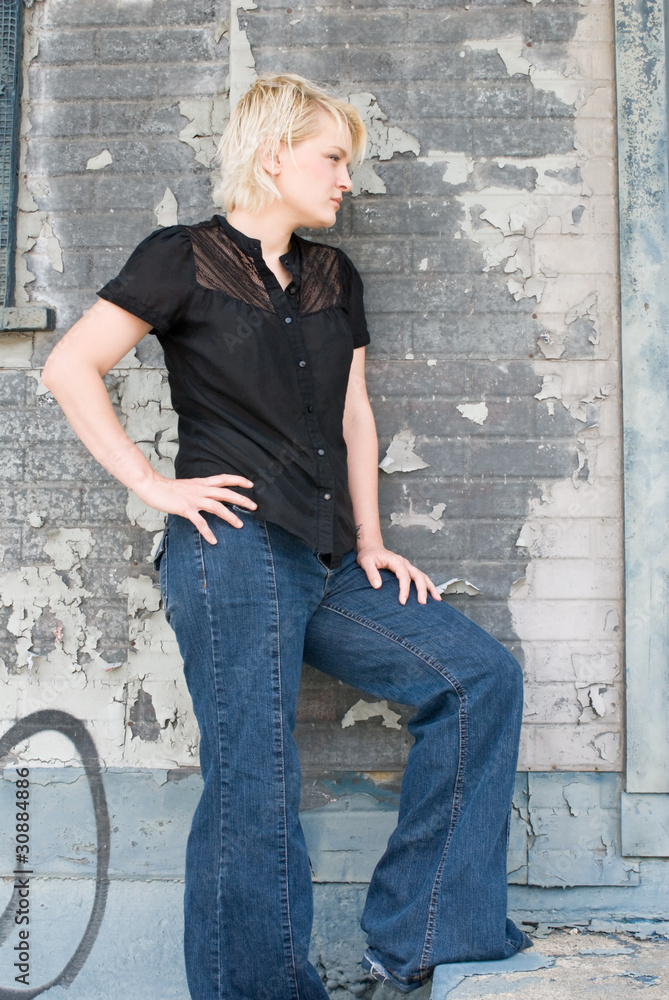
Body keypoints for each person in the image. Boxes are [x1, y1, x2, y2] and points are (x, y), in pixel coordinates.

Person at [42, 72, 532, 1000]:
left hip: (328, 555)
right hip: (233, 549)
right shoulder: (181, 257)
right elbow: (71, 366)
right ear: (273, 156)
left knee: (476, 679)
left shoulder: (332, 275)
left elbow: (353, 415)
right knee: (254, 774)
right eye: (333, 158)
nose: (347, 178)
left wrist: (371, 540)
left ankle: (426, 934)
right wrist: (152, 485)